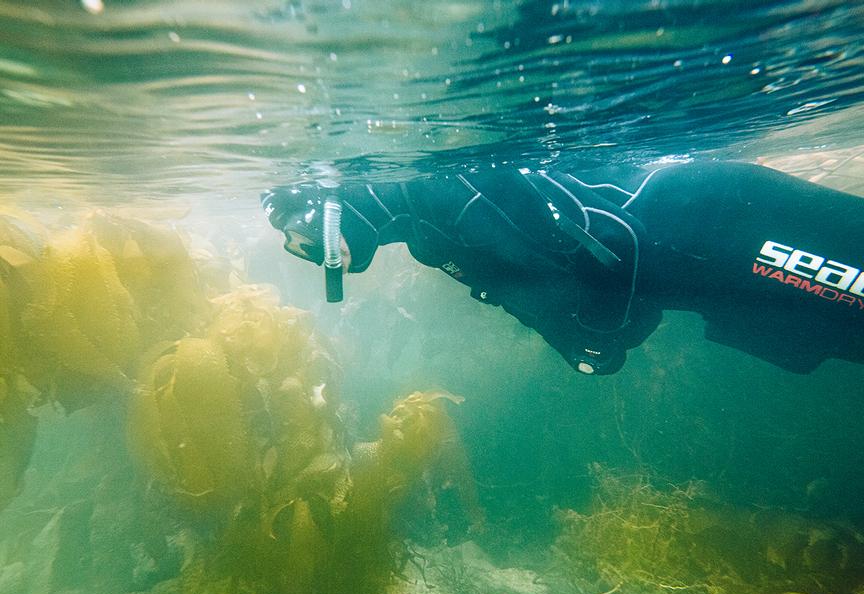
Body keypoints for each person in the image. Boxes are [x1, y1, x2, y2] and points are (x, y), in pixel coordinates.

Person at [262, 161, 864, 375]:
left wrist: (594, 340)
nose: (308, 253)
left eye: (302, 235)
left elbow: (612, 251)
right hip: (695, 266)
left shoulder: (448, 194)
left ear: (332, 207)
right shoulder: (425, 228)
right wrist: (579, 340)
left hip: (712, 222)